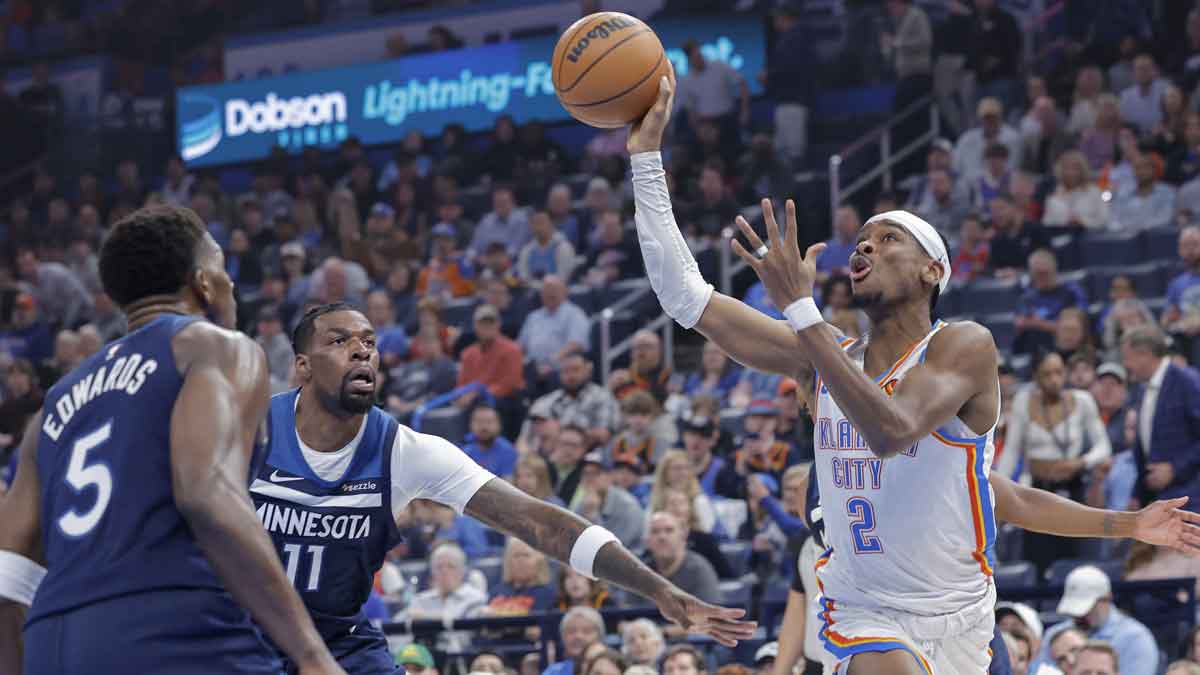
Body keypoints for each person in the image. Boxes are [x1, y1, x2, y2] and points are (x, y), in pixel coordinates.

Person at [623, 76, 1196, 673]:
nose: (864, 248)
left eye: (887, 239)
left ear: (931, 270)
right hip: (861, 607)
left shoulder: (963, 346)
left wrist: (1128, 524)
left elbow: (920, 448)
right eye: (862, 241)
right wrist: (645, 160)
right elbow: (684, 296)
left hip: (962, 618)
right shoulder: (818, 353)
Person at [251, 301, 753, 671]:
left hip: (340, 638)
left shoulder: (405, 451)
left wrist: (658, 588)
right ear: (302, 366)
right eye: (340, 341)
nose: (361, 351)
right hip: (245, 632)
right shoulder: (250, 429)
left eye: (368, 341)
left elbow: (540, 523)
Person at [0, 204, 347, 674]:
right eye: (223, 269)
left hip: (55, 639)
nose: (229, 286)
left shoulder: (54, 405)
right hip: (172, 626)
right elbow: (206, 494)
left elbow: (5, 576)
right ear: (204, 282)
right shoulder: (213, 347)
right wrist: (311, 653)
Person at [1121, 325, 1200, 509]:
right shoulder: (1142, 389)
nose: (1125, 364)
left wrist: (1175, 469)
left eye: (1127, 357)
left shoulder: (1187, 381)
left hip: (1191, 500)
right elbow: (1146, 450)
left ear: (1145, 353)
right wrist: (1137, 494)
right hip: (1157, 501)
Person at [1030, 567, 1157, 675]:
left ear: (1107, 599)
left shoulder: (1136, 638)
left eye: (1087, 608)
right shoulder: (1054, 634)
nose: (1081, 615)